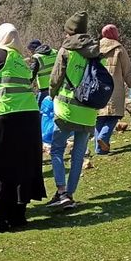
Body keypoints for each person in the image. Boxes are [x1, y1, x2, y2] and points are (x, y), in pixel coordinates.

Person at [0, 24, 46, 233]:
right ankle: (18, 214)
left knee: (1, 164)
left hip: (5, 115)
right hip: (30, 116)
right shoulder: (22, 60)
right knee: (24, 163)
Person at [48, 11, 99, 209]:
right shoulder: (95, 51)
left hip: (67, 109)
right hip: (88, 111)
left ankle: (61, 192)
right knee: (78, 156)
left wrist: (51, 95)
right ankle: (70, 193)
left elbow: (55, 78)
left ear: (70, 31)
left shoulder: (66, 50)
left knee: (57, 150)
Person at [95, 24, 131, 155]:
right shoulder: (119, 48)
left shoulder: (94, 48)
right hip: (114, 87)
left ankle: (99, 149)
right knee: (114, 115)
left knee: (100, 117)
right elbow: (127, 70)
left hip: (97, 87)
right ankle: (103, 137)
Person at [28, 39, 58, 107]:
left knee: (38, 109)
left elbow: (31, 75)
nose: (31, 53)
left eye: (30, 51)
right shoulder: (55, 52)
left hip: (44, 89)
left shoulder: (37, 57)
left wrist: (26, 85)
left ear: (33, 49)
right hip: (57, 86)